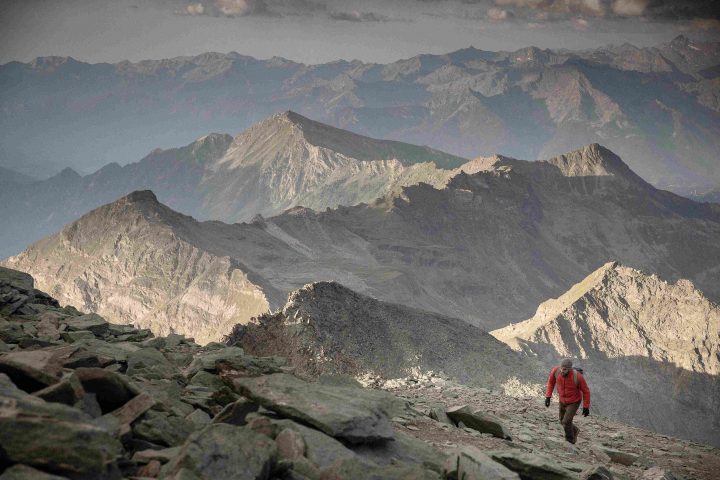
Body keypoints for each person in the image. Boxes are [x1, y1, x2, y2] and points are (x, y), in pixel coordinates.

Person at [544, 358, 590, 444]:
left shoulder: (578, 377)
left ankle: (570, 440)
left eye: (565, 369)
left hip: (574, 401)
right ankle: (575, 430)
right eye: (561, 368)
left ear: (570, 369)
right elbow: (551, 382)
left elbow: (586, 391)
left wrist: (586, 407)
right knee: (562, 421)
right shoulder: (556, 371)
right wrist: (548, 396)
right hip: (562, 400)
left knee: (566, 421)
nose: (562, 371)